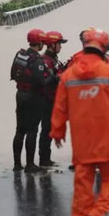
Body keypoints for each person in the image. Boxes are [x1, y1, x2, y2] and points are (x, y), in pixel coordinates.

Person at [50, 29, 109, 216]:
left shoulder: (68, 75)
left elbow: (60, 107)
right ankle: (99, 211)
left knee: (82, 185)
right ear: (104, 49)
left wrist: (57, 131)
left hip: (82, 140)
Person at [10, 29, 56, 173]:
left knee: (19, 130)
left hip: (20, 95)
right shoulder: (37, 60)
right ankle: (30, 164)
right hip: (33, 98)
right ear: (40, 43)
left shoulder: (20, 55)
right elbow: (42, 81)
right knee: (32, 131)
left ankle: (17, 164)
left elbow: (12, 74)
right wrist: (55, 78)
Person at [39, 31, 67, 167]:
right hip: (46, 101)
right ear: (52, 45)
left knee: (49, 129)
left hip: (54, 99)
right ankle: (44, 160)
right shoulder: (45, 61)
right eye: (59, 44)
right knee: (46, 130)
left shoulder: (55, 60)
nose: (61, 47)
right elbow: (47, 82)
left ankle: (46, 158)